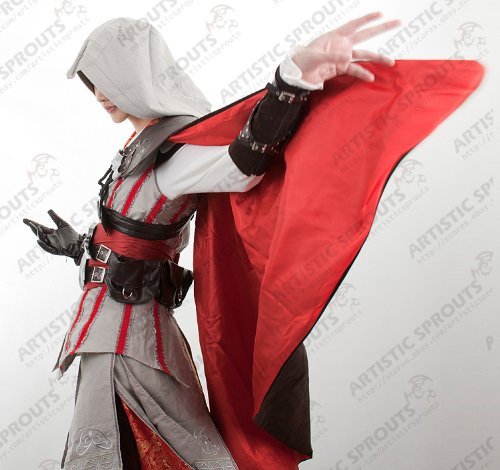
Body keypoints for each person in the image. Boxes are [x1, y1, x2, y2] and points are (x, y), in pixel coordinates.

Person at [22, 12, 483, 470]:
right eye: (92, 84)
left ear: (134, 75)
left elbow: (243, 164)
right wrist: (78, 247)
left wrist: (291, 80)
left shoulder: (175, 152)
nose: (99, 95)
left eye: (106, 80)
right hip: (103, 332)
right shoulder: (133, 150)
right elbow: (131, 238)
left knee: (144, 450)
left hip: (133, 340)